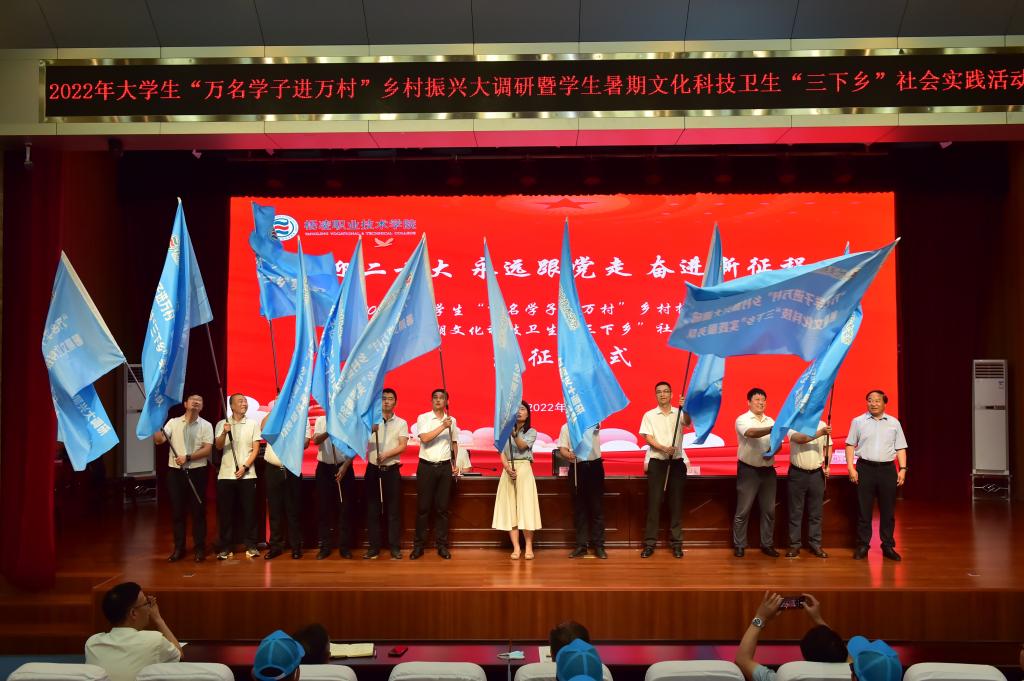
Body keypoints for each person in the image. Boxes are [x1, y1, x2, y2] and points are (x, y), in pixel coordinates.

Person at [846, 390, 908, 561]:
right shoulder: (858, 421)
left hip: (887, 470)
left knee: (888, 510)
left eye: (877, 400)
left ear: (884, 403)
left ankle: (887, 545)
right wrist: (851, 467)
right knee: (864, 510)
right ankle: (863, 545)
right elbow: (850, 445)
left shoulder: (894, 423)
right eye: (870, 400)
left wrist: (903, 469)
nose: (873, 403)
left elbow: (900, 447)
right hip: (865, 468)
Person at [153, 393, 213, 563]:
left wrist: (188, 457)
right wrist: (155, 424)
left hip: (197, 471)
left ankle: (199, 548)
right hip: (176, 473)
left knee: (198, 512)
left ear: (202, 406)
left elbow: (207, 449)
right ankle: (179, 548)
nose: (196, 402)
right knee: (178, 512)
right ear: (185, 404)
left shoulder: (206, 425)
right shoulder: (173, 422)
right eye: (193, 400)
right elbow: (159, 440)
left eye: (200, 401)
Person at [735, 591, 846, 681]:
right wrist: (818, 619)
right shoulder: (854, 673)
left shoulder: (783, 678)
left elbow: (742, 659)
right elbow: (844, 655)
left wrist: (761, 617)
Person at [85, 582, 182, 681]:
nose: (149, 608)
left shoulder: (92, 643)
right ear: (133, 613)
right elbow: (179, 654)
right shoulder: (154, 640)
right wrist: (158, 619)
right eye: (146, 603)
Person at [412, 388, 468, 560]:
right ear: (431, 401)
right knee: (423, 508)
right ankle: (418, 546)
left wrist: (455, 463)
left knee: (442, 509)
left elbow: (454, 443)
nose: (438, 400)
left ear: (446, 402)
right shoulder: (423, 418)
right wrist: (443, 426)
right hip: (426, 467)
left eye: (441, 398)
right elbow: (425, 438)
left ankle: (442, 546)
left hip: (444, 468)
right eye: (435, 397)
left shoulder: (452, 420)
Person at [639, 381, 691, 559]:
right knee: (654, 505)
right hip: (657, 464)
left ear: (671, 394)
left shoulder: (679, 413)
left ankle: (676, 544)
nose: (663, 394)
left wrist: (686, 408)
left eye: (666, 391)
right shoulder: (649, 415)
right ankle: (649, 544)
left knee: (676, 505)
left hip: (676, 464)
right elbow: (647, 437)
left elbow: (688, 422)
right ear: (656, 395)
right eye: (659, 392)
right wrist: (663, 448)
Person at [492, 401, 542, 559]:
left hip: (524, 469)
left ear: (528, 413)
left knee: (526, 508)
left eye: (522, 409)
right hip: (508, 470)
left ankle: (528, 547)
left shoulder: (531, 431)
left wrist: (514, 434)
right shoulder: (504, 430)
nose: (519, 412)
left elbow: (521, 446)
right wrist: (507, 468)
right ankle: (516, 547)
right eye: (516, 409)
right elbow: (501, 451)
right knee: (510, 509)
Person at [213, 393, 261, 560]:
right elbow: (218, 446)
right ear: (232, 406)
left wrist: (245, 467)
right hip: (226, 475)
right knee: (226, 513)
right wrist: (224, 432)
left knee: (250, 512)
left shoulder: (253, 424)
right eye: (240, 401)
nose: (244, 404)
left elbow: (256, 449)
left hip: (248, 475)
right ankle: (226, 547)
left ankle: (251, 545)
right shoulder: (222, 424)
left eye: (245, 401)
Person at [733, 388, 778, 558]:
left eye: (763, 400)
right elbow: (751, 433)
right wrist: (772, 429)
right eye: (757, 399)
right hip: (748, 470)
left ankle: (767, 544)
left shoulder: (771, 420)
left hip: (768, 471)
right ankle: (739, 544)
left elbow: (778, 443)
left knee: (769, 511)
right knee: (743, 510)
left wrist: (773, 451)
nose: (761, 402)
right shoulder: (742, 419)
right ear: (749, 402)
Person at [365, 387, 409, 560]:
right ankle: (374, 547)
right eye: (383, 398)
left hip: (391, 470)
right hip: (373, 470)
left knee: (393, 510)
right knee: (372, 509)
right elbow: (360, 441)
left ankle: (394, 547)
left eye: (390, 399)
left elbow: (403, 445)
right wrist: (370, 430)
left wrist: (386, 454)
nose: (386, 401)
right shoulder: (371, 422)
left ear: (395, 402)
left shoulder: (401, 423)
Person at [262, 412, 306, 560]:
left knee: (293, 511)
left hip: (291, 468)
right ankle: (275, 546)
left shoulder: (300, 416)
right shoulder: (274, 415)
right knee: (274, 510)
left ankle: (296, 547)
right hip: (272, 469)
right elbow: (263, 429)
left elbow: (306, 443)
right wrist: (276, 410)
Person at [786, 420, 833, 558]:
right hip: (797, 473)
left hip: (816, 474)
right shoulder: (793, 423)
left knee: (816, 513)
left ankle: (815, 545)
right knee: (795, 512)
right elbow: (801, 439)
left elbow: (828, 446)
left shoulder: (822, 424)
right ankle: (794, 546)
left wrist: (827, 465)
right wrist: (821, 432)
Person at [312, 412, 356, 560]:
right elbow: (316, 440)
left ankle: (345, 547)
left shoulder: (349, 419)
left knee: (345, 508)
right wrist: (329, 431)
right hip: (324, 468)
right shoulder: (321, 420)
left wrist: (345, 466)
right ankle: (325, 547)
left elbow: (355, 446)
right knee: (323, 509)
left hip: (344, 467)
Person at [559, 424, 606, 559]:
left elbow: (597, 426)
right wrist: (568, 454)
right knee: (579, 509)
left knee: (597, 508)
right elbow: (562, 449)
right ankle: (581, 546)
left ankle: (599, 546)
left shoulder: (592, 422)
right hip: (577, 467)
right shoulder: (566, 427)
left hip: (595, 466)